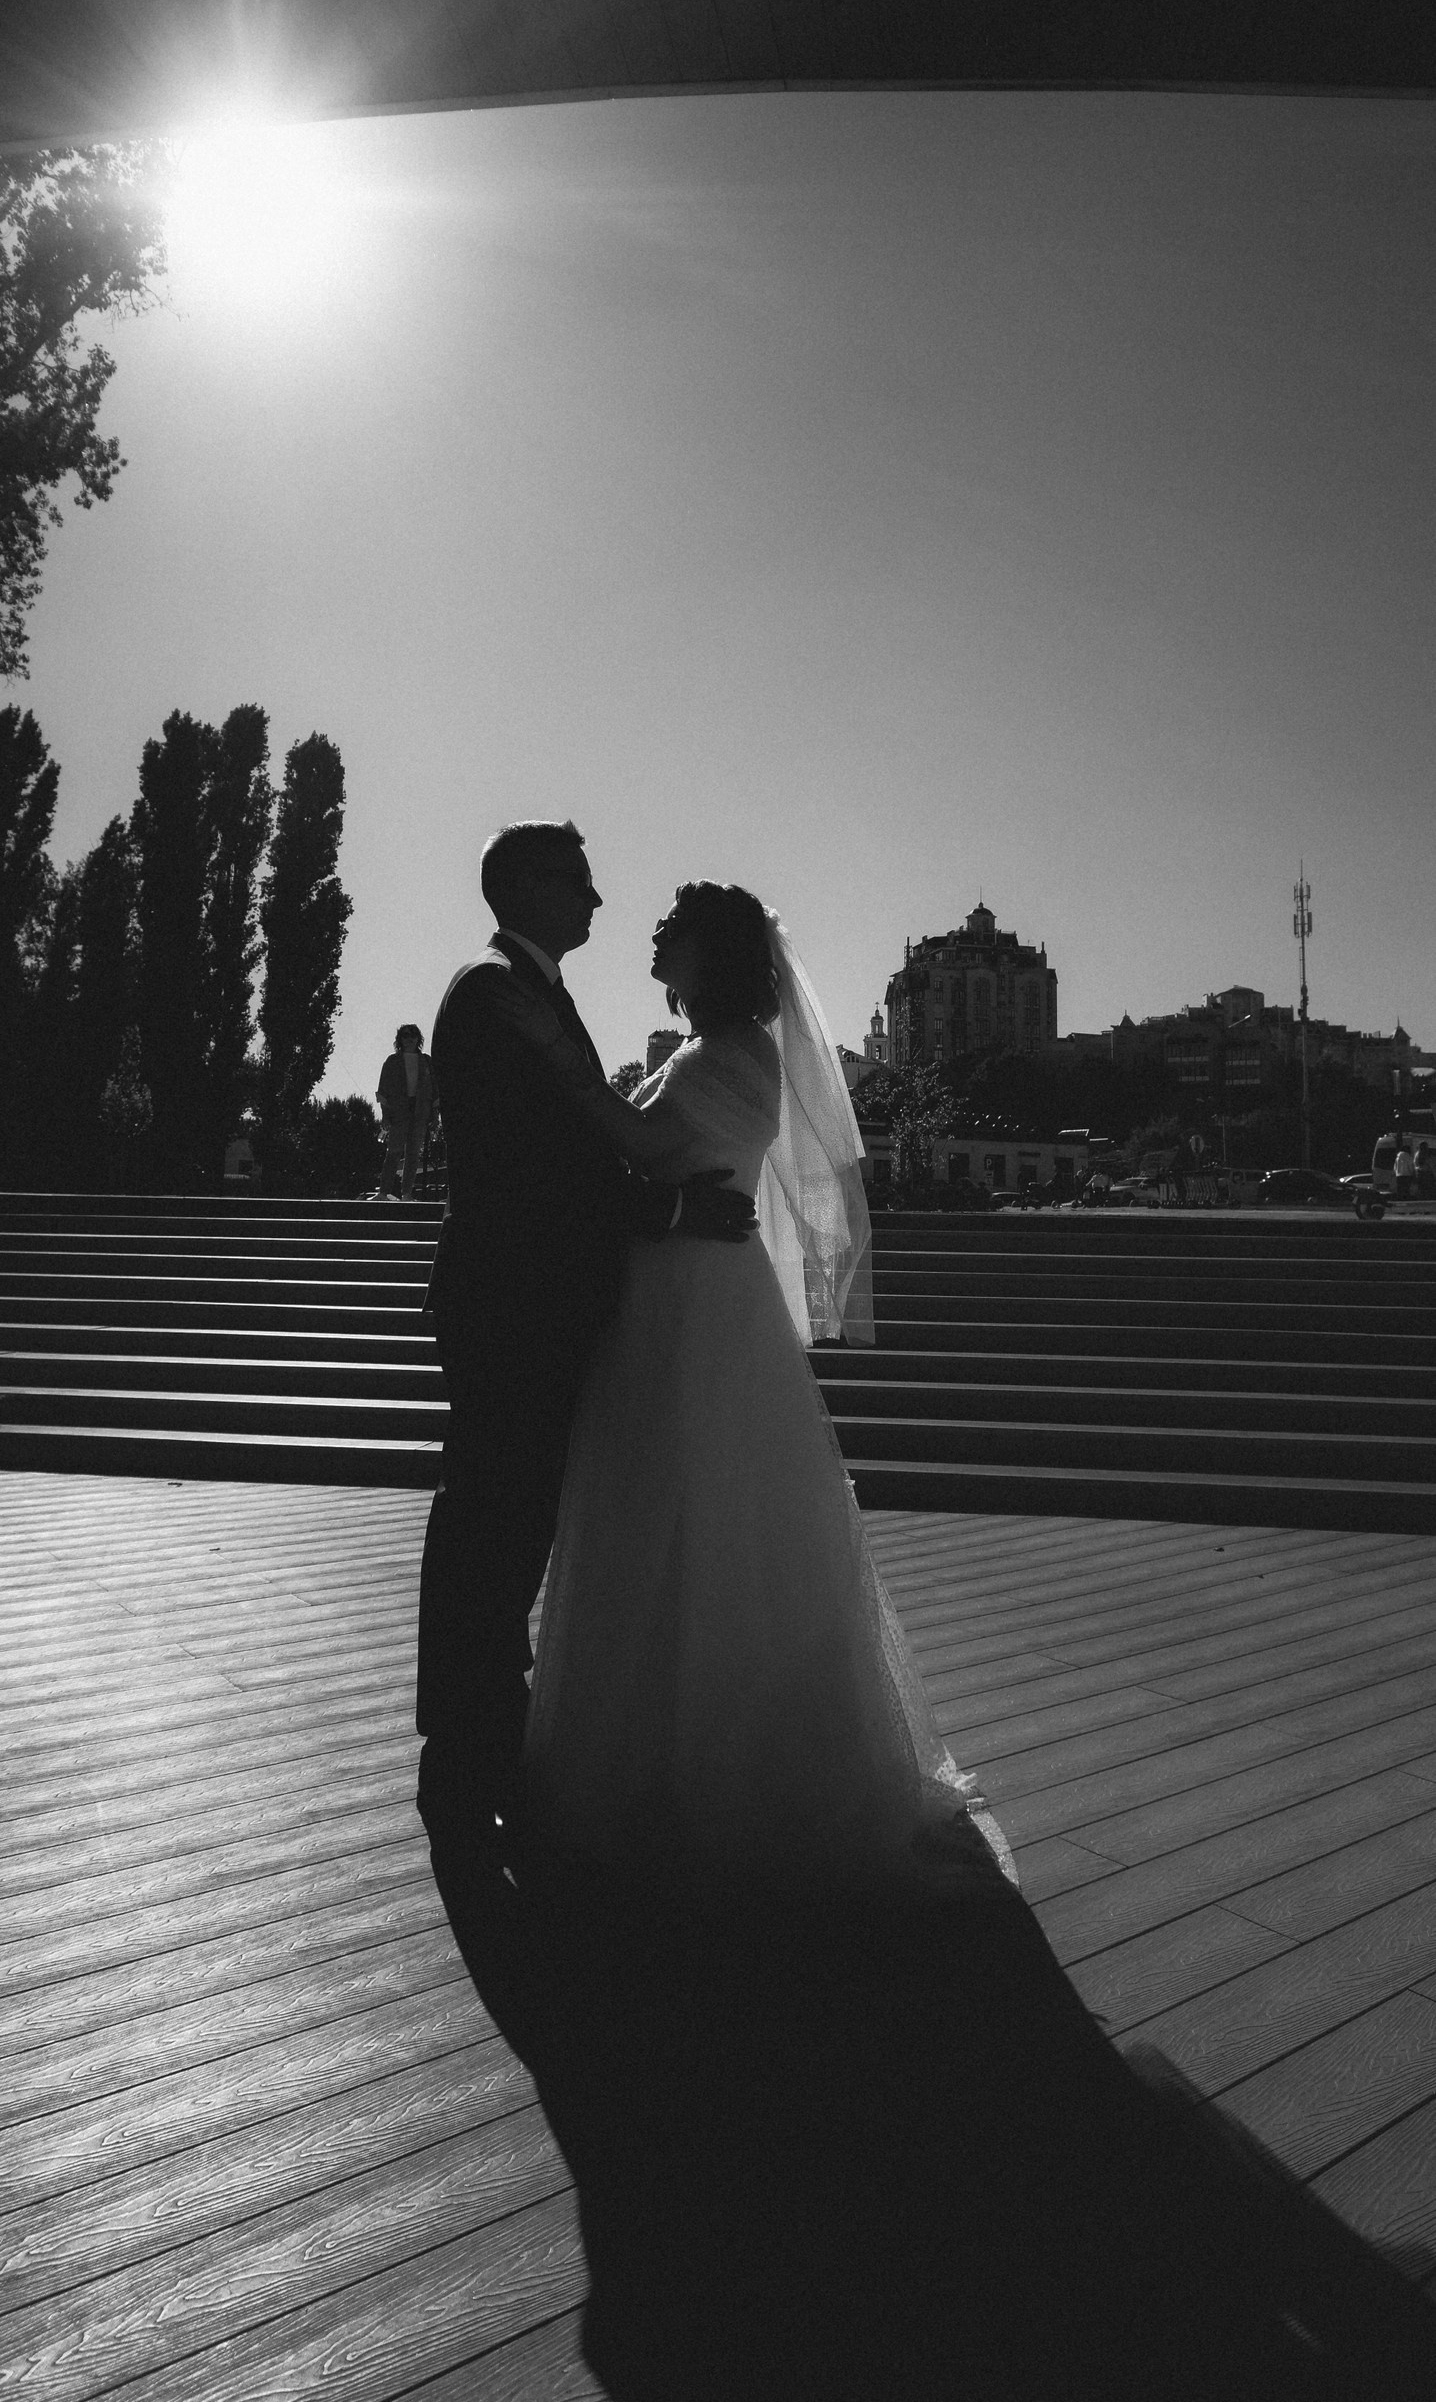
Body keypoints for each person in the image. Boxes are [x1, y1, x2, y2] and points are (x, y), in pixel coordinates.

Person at [479, 879, 1435, 2401]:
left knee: (714, 1537)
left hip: (699, 1320)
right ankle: (655, 1745)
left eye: (670, 929)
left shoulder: (730, 1057)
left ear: (715, 953)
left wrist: (569, 1083)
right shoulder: (697, 1049)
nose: (651, 940)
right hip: (670, 1308)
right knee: (664, 1534)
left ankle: (705, 1766)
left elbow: (644, 1148)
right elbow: (642, 1158)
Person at [414, 823, 756, 2051]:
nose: (600, 898)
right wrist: (667, 1211)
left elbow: (574, 1145)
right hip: (511, 1301)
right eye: (578, 879)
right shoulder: (491, 996)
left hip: (539, 1304)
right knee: (488, 1520)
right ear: (522, 887)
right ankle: (462, 1760)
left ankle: (479, 1744)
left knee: (508, 1524)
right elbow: (541, 1165)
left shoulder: (532, 995)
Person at [373, 1023, 435, 1199]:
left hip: (420, 1111)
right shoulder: (392, 1061)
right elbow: (383, 1090)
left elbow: (434, 1090)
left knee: (413, 1154)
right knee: (393, 1152)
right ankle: (383, 1192)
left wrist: (434, 1115)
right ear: (400, 1039)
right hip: (398, 1112)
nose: (409, 1038)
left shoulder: (427, 1061)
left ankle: (407, 1193)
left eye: (413, 1035)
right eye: (405, 1035)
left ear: (418, 1038)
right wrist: (385, 1115)